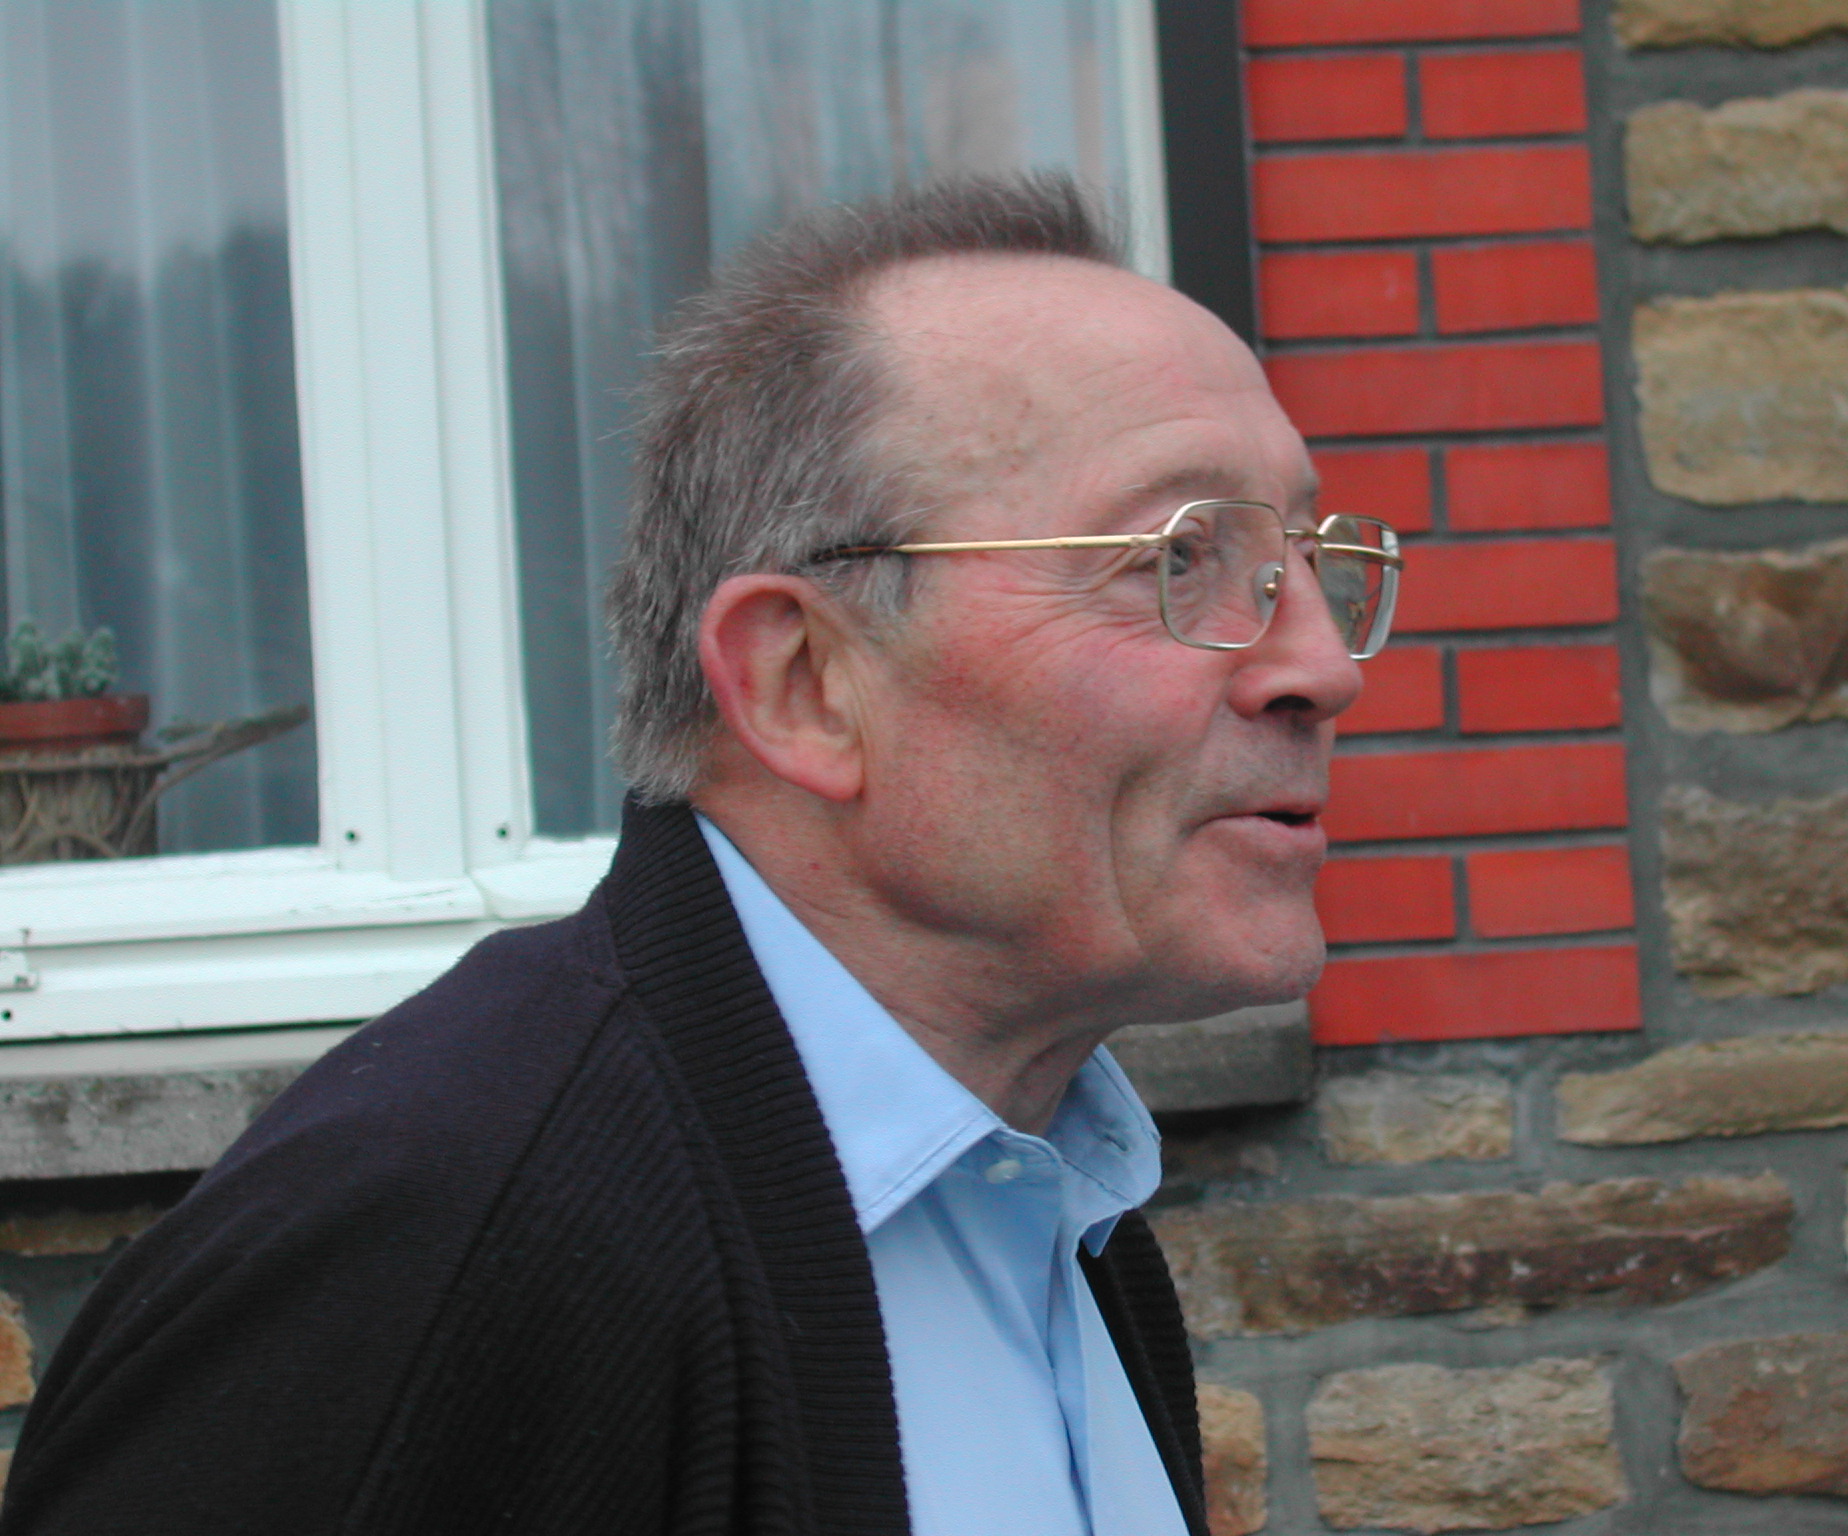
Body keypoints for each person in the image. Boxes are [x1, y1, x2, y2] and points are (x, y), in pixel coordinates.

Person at [0, 174, 1399, 1536]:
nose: (1323, 667)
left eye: (1303, 558)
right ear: (803, 684)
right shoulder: (446, 1235)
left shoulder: (1047, 1192)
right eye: (1177, 557)